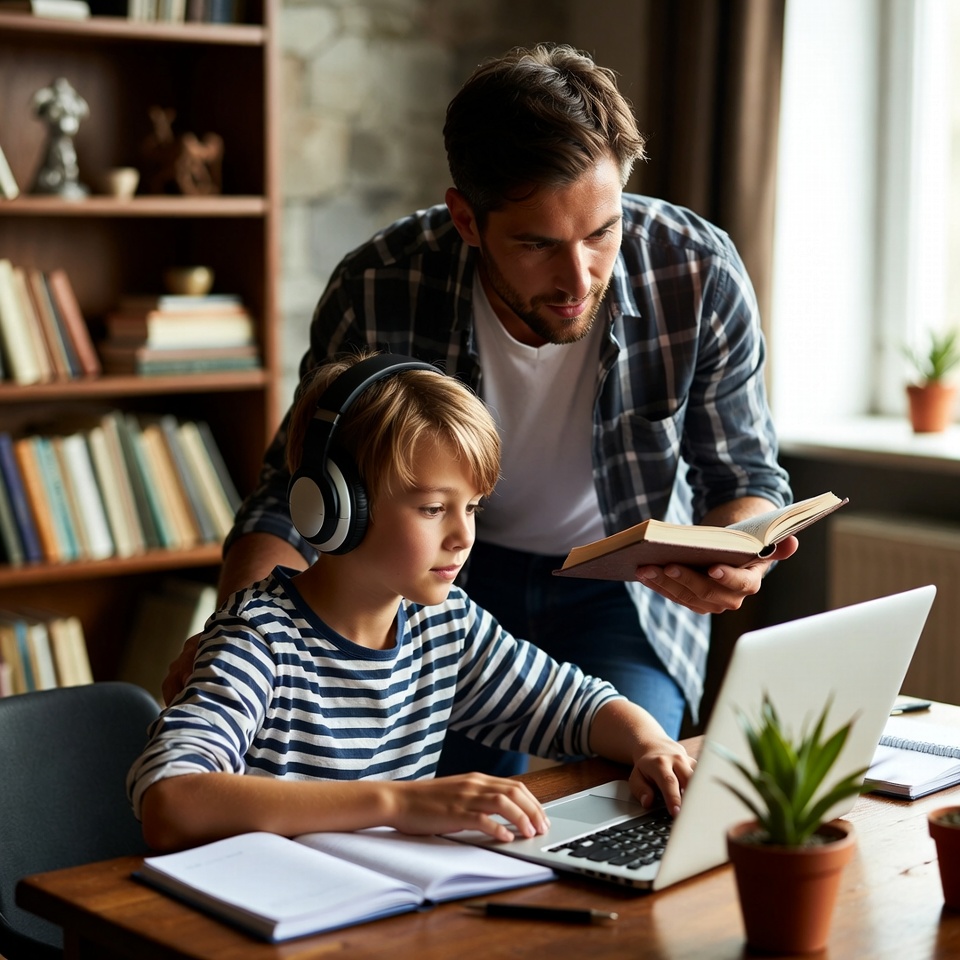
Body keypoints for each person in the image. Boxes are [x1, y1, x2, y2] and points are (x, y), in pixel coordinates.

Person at [163, 42, 795, 773]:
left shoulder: (697, 271)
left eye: (602, 233)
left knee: (636, 790)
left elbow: (744, 477)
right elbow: (295, 490)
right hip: (438, 584)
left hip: (624, 595)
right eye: (537, 244)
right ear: (465, 218)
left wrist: (733, 555)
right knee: (458, 810)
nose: (578, 277)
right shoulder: (381, 287)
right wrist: (237, 631)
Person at [128, 352, 696, 852]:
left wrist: (651, 744)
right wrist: (398, 804)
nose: (463, 536)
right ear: (335, 508)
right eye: (431, 510)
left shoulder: (444, 625)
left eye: (471, 507)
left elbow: (576, 705)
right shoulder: (258, 640)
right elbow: (170, 801)